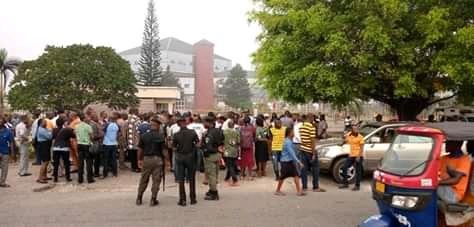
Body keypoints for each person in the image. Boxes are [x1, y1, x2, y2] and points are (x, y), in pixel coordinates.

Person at [136, 118, 166, 207]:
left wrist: (139, 159)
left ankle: (139, 198)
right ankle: (153, 199)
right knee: (156, 180)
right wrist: (167, 160)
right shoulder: (161, 136)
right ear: (157, 126)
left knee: (144, 179)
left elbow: (140, 149)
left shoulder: (144, 136)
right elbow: (164, 151)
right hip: (157, 159)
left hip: (147, 159)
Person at [173, 117, 199, 206]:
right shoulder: (192, 132)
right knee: (191, 178)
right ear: (186, 123)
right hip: (190, 157)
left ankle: (182, 200)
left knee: (181, 179)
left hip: (180, 157)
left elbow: (174, 147)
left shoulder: (176, 134)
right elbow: (198, 143)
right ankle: (192, 198)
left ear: (178, 124)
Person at [275, 127, 305, 196]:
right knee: (282, 177)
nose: (294, 133)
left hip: (289, 161)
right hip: (285, 162)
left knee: (296, 175)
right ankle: (277, 190)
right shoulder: (287, 142)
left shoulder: (289, 140)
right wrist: (299, 162)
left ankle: (299, 191)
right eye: (292, 132)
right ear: (289, 133)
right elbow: (291, 153)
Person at [299, 115, 326, 192]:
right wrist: (314, 153)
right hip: (310, 151)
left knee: (304, 169)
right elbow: (312, 141)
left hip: (303, 149)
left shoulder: (302, 127)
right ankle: (315, 187)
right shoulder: (311, 127)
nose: (313, 121)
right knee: (315, 169)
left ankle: (304, 187)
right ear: (311, 118)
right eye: (313, 119)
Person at [202, 117, 225, 200]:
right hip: (218, 155)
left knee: (211, 175)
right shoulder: (219, 131)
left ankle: (214, 193)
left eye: (204, 122)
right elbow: (222, 141)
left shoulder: (208, 134)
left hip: (210, 156)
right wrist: (220, 149)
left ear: (209, 123)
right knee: (215, 174)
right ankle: (211, 190)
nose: (203, 124)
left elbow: (208, 147)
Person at [339, 125, 364, 191]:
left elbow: (362, 148)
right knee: (344, 167)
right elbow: (345, 139)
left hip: (358, 155)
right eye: (354, 129)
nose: (356, 130)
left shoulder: (360, 137)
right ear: (352, 130)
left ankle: (357, 186)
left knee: (358, 171)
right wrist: (342, 143)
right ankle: (345, 183)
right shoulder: (349, 135)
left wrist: (358, 156)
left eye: (357, 128)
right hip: (351, 155)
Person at [52, 117, 75, 182]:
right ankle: (68, 177)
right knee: (66, 163)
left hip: (56, 147)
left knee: (56, 163)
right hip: (65, 147)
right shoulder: (66, 129)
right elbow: (73, 135)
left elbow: (53, 137)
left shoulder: (54, 130)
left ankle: (55, 178)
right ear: (63, 123)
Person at [75, 113, 94, 184]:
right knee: (89, 162)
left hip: (79, 144)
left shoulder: (76, 126)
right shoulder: (88, 126)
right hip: (86, 145)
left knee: (80, 162)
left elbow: (75, 134)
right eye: (87, 118)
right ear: (84, 119)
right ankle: (90, 179)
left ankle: (80, 179)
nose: (88, 119)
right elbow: (92, 136)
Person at [102, 112, 120, 178]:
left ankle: (105, 174)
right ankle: (115, 173)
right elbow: (119, 134)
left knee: (106, 159)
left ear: (110, 119)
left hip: (106, 143)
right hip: (114, 143)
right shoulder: (117, 125)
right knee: (114, 159)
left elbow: (103, 132)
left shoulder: (107, 124)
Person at [223, 120, 240, 186]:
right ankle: (227, 178)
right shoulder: (236, 132)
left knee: (229, 165)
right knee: (231, 165)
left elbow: (222, 140)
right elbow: (238, 142)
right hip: (234, 151)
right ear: (233, 125)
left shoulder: (224, 132)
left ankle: (235, 179)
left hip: (227, 151)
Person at [36, 119, 53, 184]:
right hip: (43, 146)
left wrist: (49, 131)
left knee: (46, 161)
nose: (46, 123)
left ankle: (44, 176)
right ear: (40, 123)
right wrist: (50, 132)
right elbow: (49, 137)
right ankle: (40, 178)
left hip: (45, 145)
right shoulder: (42, 130)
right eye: (44, 122)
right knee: (45, 162)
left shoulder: (43, 128)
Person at [0, 117, 14, 188]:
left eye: (1, 120)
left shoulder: (8, 131)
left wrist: (12, 153)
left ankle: (2, 182)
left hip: (5, 152)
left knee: (5, 168)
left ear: (4, 122)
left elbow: (11, 143)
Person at [127, 108, 141, 173]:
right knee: (136, 154)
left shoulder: (128, 119)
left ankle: (133, 167)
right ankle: (137, 167)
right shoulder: (137, 119)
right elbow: (139, 129)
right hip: (136, 139)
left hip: (130, 139)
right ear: (135, 112)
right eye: (137, 111)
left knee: (132, 154)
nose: (138, 112)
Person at [90, 113, 104, 178]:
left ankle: (93, 172)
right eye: (96, 117)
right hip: (95, 144)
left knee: (93, 159)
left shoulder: (93, 124)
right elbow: (93, 136)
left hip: (93, 144)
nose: (97, 118)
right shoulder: (94, 125)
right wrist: (101, 135)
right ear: (93, 118)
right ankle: (96, 173)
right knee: (96, 159)